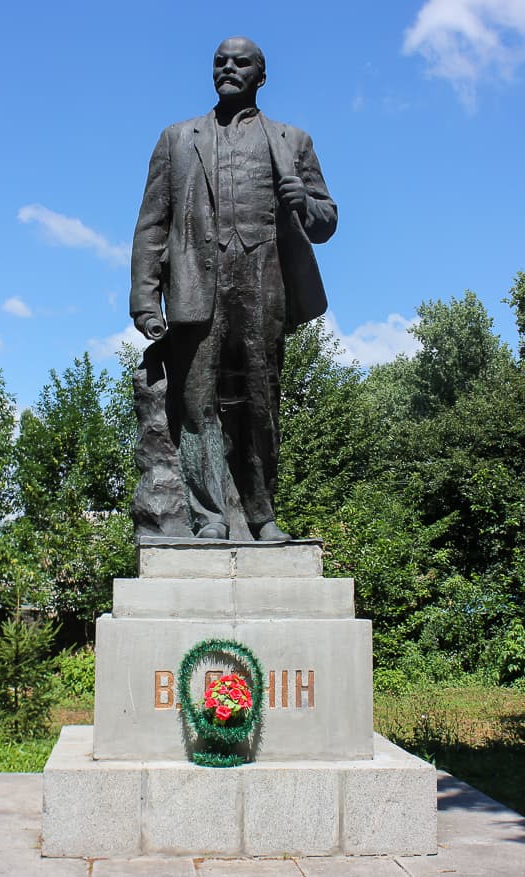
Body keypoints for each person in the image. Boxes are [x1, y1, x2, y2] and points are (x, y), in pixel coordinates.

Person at [130, 36, 337, 541]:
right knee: (197, 402)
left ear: (260, 76)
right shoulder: (178, 138)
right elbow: (151, 224)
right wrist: (144, 295)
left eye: (241, 63)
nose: (228, 68)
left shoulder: (292, 140)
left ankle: (262, 513)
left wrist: (304, 204)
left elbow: (326, 220)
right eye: (220, 62)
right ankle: (209, 516)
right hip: (198, 281)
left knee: (262, 401)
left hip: (263, 278)